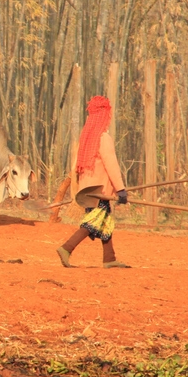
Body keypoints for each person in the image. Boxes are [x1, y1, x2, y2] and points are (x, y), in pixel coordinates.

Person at [56, 95, 129, 268]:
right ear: (105, 115)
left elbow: (75, 168)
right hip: (100, 191)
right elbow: (112, 165)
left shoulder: (87, 138)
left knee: (104, 221)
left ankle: (109, 258)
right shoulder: (103, 138)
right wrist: (120, 189)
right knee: (94, 222)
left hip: (88, 191)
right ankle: (67, 248)